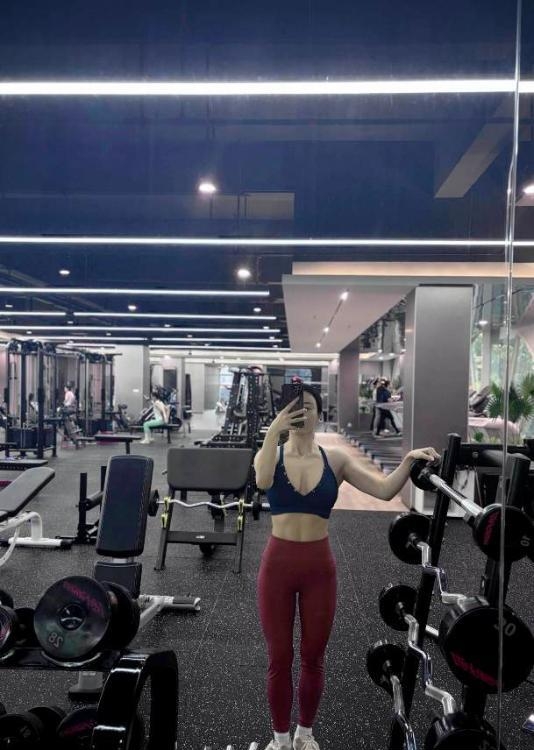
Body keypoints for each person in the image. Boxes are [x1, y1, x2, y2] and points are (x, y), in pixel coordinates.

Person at [254, 385, 438, 750]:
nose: (301, 413)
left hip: (319, 569)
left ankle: (305, 735)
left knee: (313, 657)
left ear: (319, 414)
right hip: (277, 567)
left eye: (308, 407)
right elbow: (261, 481)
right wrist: (274, 431)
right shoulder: (270, 453)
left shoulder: (335, 460)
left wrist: (407, 460)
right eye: (293, 407)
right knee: (279, 657)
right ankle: (280, 739)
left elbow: (384, 490)